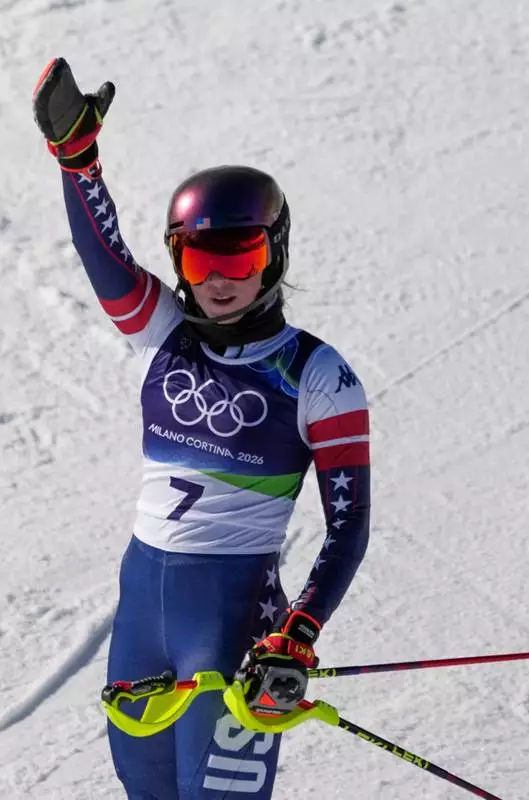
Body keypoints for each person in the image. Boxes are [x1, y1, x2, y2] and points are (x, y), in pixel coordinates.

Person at [32, 57, 372, 799]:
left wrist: (300, 633)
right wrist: (78, 161)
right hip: (143, 621)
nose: (219, 278)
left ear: (273, 253)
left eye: (240, 256)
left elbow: (347, 528)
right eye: (198, 255)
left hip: (232, 631)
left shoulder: (319, 376)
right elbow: (104, 257)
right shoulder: (164, 333)